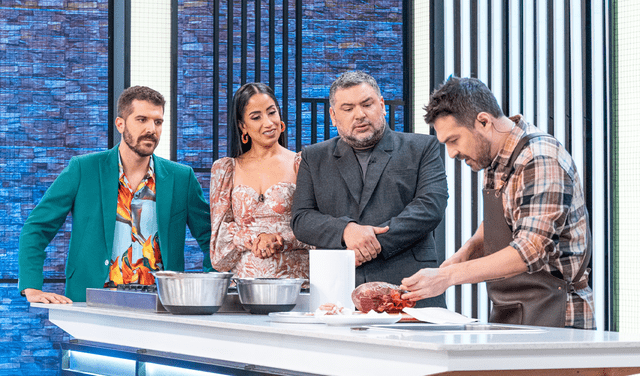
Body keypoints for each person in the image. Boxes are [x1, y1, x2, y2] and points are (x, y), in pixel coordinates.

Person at [402, 76, 594, 329]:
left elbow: (530, 250)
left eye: (453, 140)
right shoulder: (495, 159)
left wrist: (446, 277)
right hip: (512, 310)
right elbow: (502, 220)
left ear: (484, 121)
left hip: (556, 311)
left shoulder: (539, 159)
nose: (451, 153)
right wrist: (464, 254)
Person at [19, 86, 212, 303]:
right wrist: (31, 287)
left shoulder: (181, 178)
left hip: (161, 306)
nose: (151, 129)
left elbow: (211, 238)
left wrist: (214, 287)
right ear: (120, 124)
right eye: (142, 119)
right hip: (91, 300)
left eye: (158, 122)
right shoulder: (83, 169)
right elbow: (37, 227)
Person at [291, 71, 448, 308]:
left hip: (410, 287)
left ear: (382, 105)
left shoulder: (422, 148)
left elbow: (430, 207)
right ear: (333, 116)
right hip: (339, 291)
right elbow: (302, 219)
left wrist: (369, 245)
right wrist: (346, 230)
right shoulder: (313, 157)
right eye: (348, 108)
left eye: (367, 104)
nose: (360, 115)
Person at [209, 83, 311, 280]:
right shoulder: (226, 170)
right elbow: (218, 249)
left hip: (297, 287)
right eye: (256, 117)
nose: (268, 123)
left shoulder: (303, 164)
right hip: (243, 289)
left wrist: (279, 240)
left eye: (272, 113)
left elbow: (318, 230)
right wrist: (253, 240)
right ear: (242, 126)